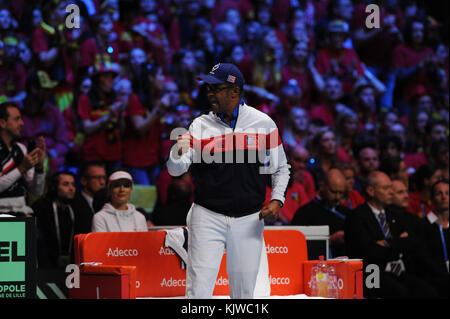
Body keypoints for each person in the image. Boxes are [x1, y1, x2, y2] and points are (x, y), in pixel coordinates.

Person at [167, 63, 290, 299]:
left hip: (249, 218)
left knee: (244, 293)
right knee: (199, 290)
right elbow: (175, 171)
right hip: (207, 214)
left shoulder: (263, 123)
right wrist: (178, 152)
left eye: (216, 88)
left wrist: (277, 200)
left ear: (235, 91)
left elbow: (281, 168)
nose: (209, 93)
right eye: (208, 88)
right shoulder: (199, 125)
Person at [345, 171, 438, 298]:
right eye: (386, 188)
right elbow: (369, 251)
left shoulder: (395, 214)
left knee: (428, 291)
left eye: (391, 187)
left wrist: (387, 243)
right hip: (373, 273)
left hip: (401, 272)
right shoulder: (357, 216)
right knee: (400, 293)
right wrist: (398, 245)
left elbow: (412, 241)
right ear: (371, 191)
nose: (391, 192)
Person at [0, 101, 45, 217]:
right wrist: (21, 169)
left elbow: (37, 192)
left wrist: (39, 167)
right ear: (3, 123)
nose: (22, 123)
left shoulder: (21, 149)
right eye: (17, 119)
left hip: (24, 213)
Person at [292, 168, 350, 257]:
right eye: (333, 192)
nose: (337, 197)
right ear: (322, 186)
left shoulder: (347, 213)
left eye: (341, 192)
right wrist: (329, 241)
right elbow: (297, 245)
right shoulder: (304, 213)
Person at [33, 171, 77, 268]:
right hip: (45, 267)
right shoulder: (41, 207)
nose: (71, 188)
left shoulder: (76, 208)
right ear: (54, 187)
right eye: (66, 184)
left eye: (73, 184)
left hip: (71, 267)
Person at [419, 179, 449, 297]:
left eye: (447, 193)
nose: (444, 197)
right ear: (431, 199)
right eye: (439, 193)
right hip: (434, 280)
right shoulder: (422, 225)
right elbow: (423, 259)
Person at [71, 161, 107, 233]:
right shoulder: (73, 205)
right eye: (98, 178)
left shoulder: (108, 203)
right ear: (83, 180)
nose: (102, 182)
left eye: (104, 177)